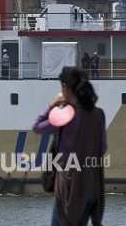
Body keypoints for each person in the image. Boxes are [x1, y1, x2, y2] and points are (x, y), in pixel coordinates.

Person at [32, 67, 106, 226]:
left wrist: (52, 105)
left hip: (71, 189)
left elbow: (37, 126)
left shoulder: (66, 115)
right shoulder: (98, 114)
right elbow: (103, 147)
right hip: (93, 186)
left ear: (65, 87)